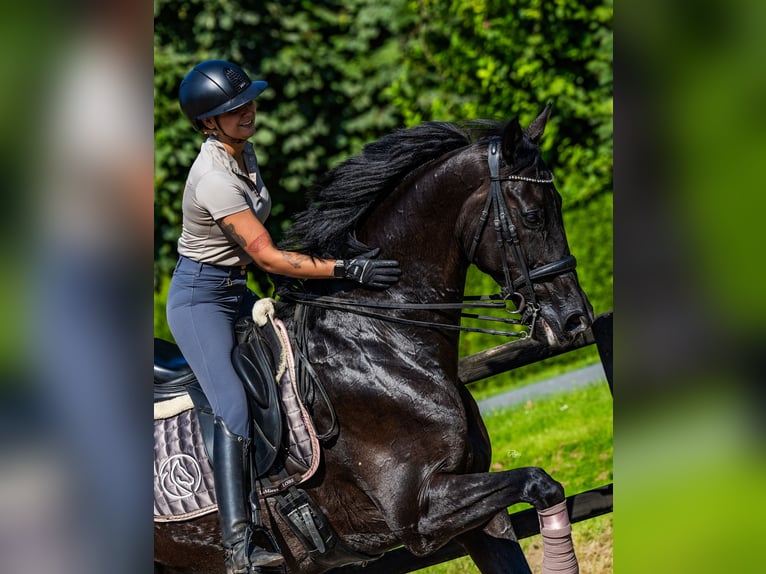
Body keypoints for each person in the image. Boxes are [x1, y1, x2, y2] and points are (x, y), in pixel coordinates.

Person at [166, 59, 401, 573]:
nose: (246, 111)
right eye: (232, 108)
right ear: (208, 123)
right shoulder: (213, 179)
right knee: (231, 405)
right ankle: (239, 547)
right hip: (200, 301)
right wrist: (348, 269)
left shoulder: (242, 152)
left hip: (236, 289)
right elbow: (267, 254)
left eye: (247, 100)